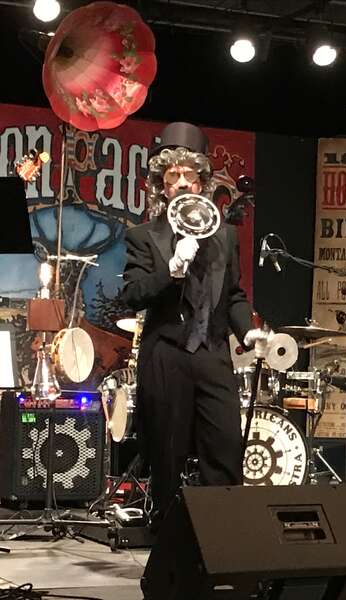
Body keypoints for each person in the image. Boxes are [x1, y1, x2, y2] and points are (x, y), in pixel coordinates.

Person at [120, 122, 269, 528]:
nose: (183, 182)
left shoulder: (226, 237)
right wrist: (171, 268)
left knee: (225, 446)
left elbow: (233, 295)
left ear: (202, 183)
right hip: (167, 354)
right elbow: (133, 294)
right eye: (174, 176)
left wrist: (247, 330)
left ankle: (223, 535)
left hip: (213, 354)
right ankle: (168, 537)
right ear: (162, 186)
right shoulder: (144, 236)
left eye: (190, 175)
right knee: (167, 453)